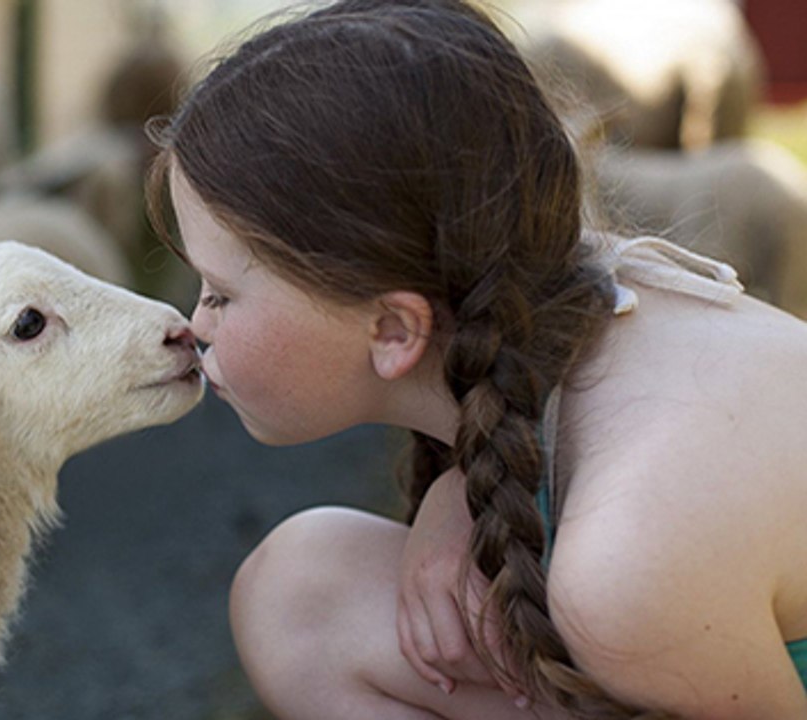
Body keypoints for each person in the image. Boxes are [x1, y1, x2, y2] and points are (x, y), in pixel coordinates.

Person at [144, 0, 807, 717]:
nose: (194, 324)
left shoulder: (626, 568)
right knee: (300, 597)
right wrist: (459, 492)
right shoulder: (564, 295)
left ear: (396, 330)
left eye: (219, 293)